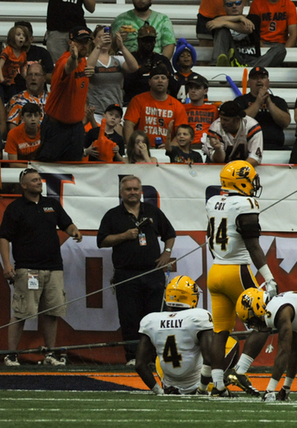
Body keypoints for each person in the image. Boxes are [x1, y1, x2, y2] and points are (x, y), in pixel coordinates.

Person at [205, 161, 277, 397]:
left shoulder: (213, 201)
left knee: (220, 331)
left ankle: (217, 385)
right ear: (242, 180)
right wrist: (269, 278)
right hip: (237, 270)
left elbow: (211, 238)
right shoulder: (247, 203)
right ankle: (239, 370)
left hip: (215, 271)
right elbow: (253, 245)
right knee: (266, 321)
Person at [1, 168, 81, 367]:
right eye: (34, 180)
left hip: (54, 267)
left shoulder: (51, 204)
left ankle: (50, 354)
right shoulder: (15, 208)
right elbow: (4, 237)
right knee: (21, 313)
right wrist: (7, 264)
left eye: (39, 179)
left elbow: (66, 224)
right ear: (24, 185)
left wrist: (74, 231)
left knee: (52, 312)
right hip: (27, 268)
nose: (39, 182)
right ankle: (11, 355)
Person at [97, 175, 176, 366]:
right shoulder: (113, 215)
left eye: (135, 189)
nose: (132, 193)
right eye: (128, 189)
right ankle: (132, 357)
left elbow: (170, 234)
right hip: (126, 274)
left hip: (153, 273)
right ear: (121, 192)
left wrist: (166, 253)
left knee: (155, 317)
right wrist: (123, 236)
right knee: (129, 318)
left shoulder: (152, 211)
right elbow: (102, 241)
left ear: (141, 191)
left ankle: (155, 357)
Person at [135, 275, 238, 395]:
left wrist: (159, 392)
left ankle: (165, 389)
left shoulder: (150, 320)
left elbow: (139, 365)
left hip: (169, 385)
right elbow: (209, 358)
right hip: (197, 383)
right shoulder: (199, 316)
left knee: (160, 357)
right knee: (231, 340)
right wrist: (201, 390)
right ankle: (220, 381)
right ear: (192, 297)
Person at [39, 26, 101, 162]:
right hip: (56, 128)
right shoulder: (64, 61)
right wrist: (73, 57)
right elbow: (69, 67)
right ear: (70, 42)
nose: (83, 45)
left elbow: (86, 64)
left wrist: (98, 47)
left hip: (76, 127)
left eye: (86, 41)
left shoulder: (83, 61)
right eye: (79, 42)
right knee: (49, 167)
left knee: (74, 167)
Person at [123, 64, 189, 149]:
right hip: (141, 149)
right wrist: (132, 148)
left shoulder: (177, 105)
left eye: (163, 78)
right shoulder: (138, 100)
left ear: (168, 82)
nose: (160, 81)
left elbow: (182, 132)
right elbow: (128, 125)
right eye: (156, 78)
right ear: (149, 82)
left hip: (167, 151)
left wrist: (170, 147)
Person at [245, 0, 297, 68]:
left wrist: (284, 51)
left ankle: (255, 66)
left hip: (280, 45)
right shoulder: (257, 3)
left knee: (278, 50)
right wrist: (263, 48)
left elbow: (293, 34)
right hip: (261, 44)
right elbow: (252, 31)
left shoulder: (289, 4)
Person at [111, 0, 176, 59]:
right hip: (129, 65)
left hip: (155, 62)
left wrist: (161, 63)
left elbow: (169, 45)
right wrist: (117, 40)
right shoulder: (121, 20)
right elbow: (110, 49)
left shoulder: (163, 19)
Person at [234, 66, 291, 151]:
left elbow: (285, 122)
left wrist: (269, 102)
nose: (259, 81)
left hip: (274, 146)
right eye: (255, 78)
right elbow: (239, 121)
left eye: (263, 78)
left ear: (268, 82)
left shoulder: (278, 101)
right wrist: (258, 101)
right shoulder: (241, 100)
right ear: (249, 83)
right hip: (247, 146)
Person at [87, 26, 138, 116]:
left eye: (108, 37)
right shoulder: (88, 59)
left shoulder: (118, 59)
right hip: (95, 112)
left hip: (115, 111)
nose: (105, 39)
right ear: (94, 40)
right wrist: (99, 46)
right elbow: (88, 67)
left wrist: (121, 46)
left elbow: (134, 67)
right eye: (101, 37)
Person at [122, 25, 179, 104]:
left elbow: (175, 87)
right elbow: (123, 85)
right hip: (134, 102)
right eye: (145, 41)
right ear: (138, 41)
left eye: (151, 41)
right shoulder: (130, 58)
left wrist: (166, 73)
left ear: (155, 42)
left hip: (158, 103)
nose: (148, 44)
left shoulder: (163, 60)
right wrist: (139, 72)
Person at [207, 0, 261, 67]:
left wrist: (225, 23)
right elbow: (210, 24)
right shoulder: (219, 19)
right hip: (232, 58)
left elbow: (248, 29)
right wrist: (239, 18)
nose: (234, 6)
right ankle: (217, 64)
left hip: (253, 61)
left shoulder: (254, 18)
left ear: (243, 4)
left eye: (238, 3)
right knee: (222, 30)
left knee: (280, 50)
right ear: (224, 7)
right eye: (229, 4)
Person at [202, 101, 263, 167]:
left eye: (226, 120)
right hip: (220, 169)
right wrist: (218, 149)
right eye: (221, 118)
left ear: (237, 119)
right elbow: (218, 161)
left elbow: (255, 158)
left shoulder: (251, 127)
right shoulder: (215, 128)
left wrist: (237, 170)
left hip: (244, 168)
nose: (222, 122)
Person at [183, 73, 217, 146]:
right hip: (186, 145)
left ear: (205, 91)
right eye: (191, 88)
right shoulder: (182, 108)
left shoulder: (213, 109)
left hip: (208, 145)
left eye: (197, 88)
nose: (193, 91)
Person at [0, 23, 30, 103]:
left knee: (13, 100)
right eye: (18, 35)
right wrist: (2, 79)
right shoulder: (8, 50)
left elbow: (23, 70)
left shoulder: (23, 54)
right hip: (1, 81)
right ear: (12, 37)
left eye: (23, 36)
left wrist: (28, 79)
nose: (21, 37)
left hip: (10, 81)